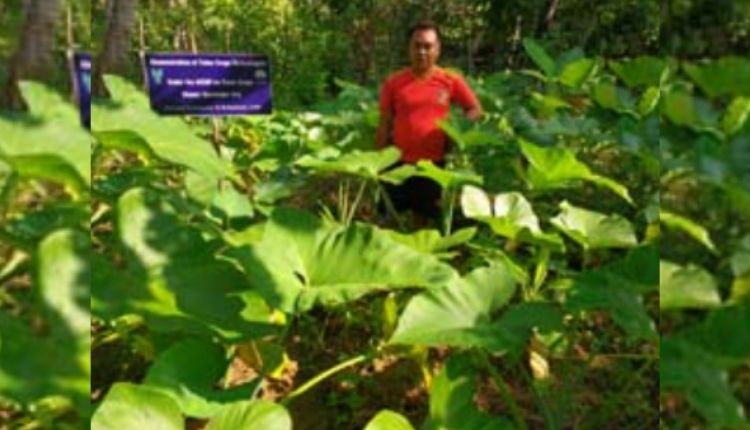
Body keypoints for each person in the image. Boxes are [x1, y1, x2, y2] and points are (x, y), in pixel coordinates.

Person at [376, 20, 482, 223]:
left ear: (438, 49)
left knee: (423, 218)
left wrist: (456, 131)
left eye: (427, 46)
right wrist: (378, 162)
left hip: (432, 164)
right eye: (417, 46)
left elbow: (475, 109)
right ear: (408, 48)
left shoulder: (450, 80)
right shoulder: (394, 82)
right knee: (388, 217)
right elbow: (385, 122)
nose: (422, 52)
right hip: (397, 162)